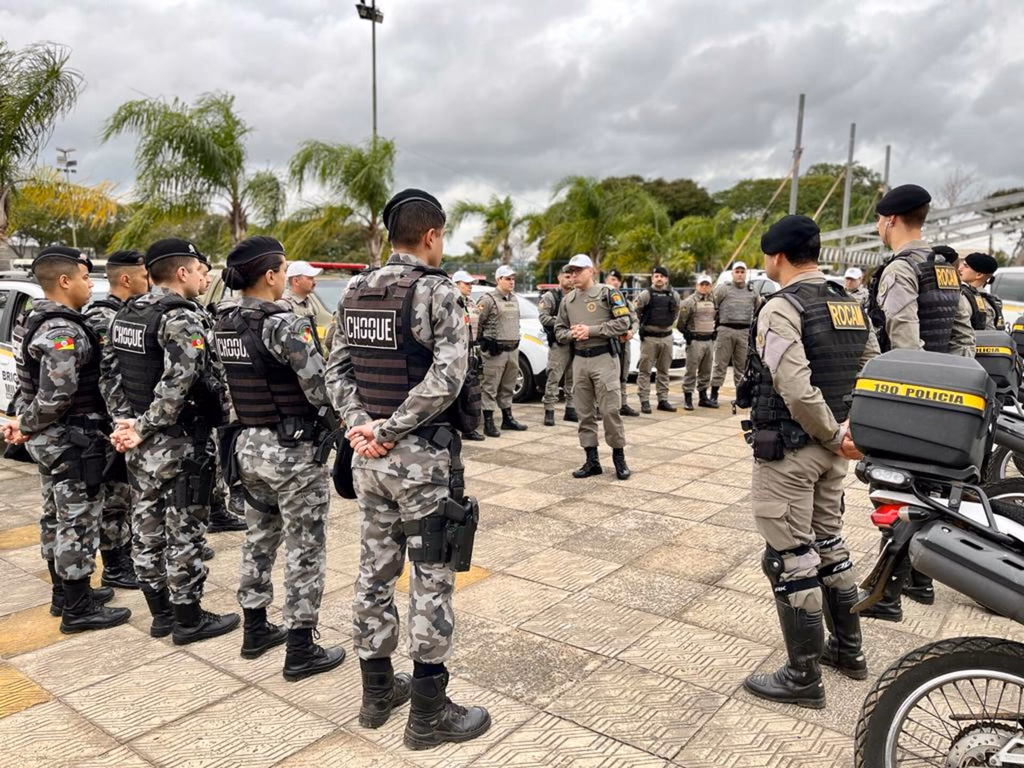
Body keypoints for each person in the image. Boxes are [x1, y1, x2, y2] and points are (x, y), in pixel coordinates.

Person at [327, 189, 490, 747]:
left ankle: (376, 696)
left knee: (374, 571)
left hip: (369, 460)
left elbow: (337, 370)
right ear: (431, 236)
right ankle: (428, 713)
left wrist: (360, 428)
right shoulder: (437, 292)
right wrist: (388, 429)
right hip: (417, 459)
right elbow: (447, 379)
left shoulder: (354, 289)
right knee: (430, 576)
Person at [740, 216, 879, 710]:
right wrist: (849, 430)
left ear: (776, 257)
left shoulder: (783, 306)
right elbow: (871, 368)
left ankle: (803, 677)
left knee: (790, 558)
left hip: (793, 450)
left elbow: (794, 385)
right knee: (830, 545)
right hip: (833, 450)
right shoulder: (847, 301)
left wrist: (828, 430)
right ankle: (847, 650)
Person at [214, 236, 345, 681]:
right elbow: (319, 388)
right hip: (291, 452)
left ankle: (254, 629)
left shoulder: (224, 321)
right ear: (270, 276)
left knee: (259, 537)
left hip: (248, 447)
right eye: (285, 269)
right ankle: (301, 648)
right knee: (305, 547)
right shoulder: (284, 323)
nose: (287, 276)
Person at [107, 238, 238, 644]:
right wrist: (143, 426)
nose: (207, 277)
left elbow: (110, 375)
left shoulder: (128, 313)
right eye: (201, 270)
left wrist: (125, 423)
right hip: (178, 441)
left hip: (141, 445)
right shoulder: (182, 319)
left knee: (146, 524)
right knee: (185, 530)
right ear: (182, 273)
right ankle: (188, 618)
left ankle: (160, 613)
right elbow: (176, 385)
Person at [3, 246, 132, 633]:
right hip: (70, 440)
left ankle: (64, 594)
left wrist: (23, 424)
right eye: (81, 278)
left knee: (54, 514)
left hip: (53, 440)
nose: (88, 285)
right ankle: (78, 607)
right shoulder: (62, 330)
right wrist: (24, 425)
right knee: (77, 519)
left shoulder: (34, 319)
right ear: (63, 281)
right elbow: (56, 396)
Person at [864, 184, 976, 619]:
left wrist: (905, 405)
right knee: (929, 488)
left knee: (896, 487)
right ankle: (919, 580)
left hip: (915, 397)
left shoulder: (899, 269)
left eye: (878, 220)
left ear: (890, 220)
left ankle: (887, 594)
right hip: (949, 397)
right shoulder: (946, 269)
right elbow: (962, 336)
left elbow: (905, 344)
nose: (877, 226)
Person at [83, 250, 149, 591]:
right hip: (107, 420)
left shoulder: (126, 315)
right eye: (143, 275)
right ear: (126, 279)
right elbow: (109, 374)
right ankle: (114, 564)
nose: (148, 280)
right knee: (113, 497)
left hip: (119, 419)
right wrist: (122, 421)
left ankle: (125, 554)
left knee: (123, 494)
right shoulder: (103, 318)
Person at [555, 254, 632, 480]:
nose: (574, 275)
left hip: (604, 358)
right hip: (580, 359)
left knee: (610, 410)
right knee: (584, 412)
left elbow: (623, 322)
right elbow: (559, 331)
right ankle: (592, 460)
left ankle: (619, 458)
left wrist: (591, 330)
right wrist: (572, 334)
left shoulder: (609, 293)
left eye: (579, 270)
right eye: (571, 271)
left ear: (591, 270)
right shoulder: (567, 301)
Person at [476, 265, 527, 437]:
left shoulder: (514, 299)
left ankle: (507, 418)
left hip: (512, 350)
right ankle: (488, 422)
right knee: (490, 386)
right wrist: (484, 342)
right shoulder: (488, 299)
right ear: (498, 280)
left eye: (513, 279)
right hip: (495, 351)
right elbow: (477, 323)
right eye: (507, 278)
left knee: (508, 386)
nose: (511, 282)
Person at [710, 262, 760, 408]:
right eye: (737, 271)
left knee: (742, 366)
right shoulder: (724, 289)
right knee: (720, 364)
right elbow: (714, 305)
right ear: (732, 273)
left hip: (744, 331)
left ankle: (741, 396)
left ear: (746, 273)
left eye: (742, 271)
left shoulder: (752, 291)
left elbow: (757, 308)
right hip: (725, 330)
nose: (739, 274)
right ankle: (714, 394)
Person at [634, 266, 680, 413]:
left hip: (666, 337)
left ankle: (663, 399)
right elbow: (636, 312)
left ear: (666, 279)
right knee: (645, 371)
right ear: (652, 278)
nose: (659, 278)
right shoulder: (645, 295)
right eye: (656, 276)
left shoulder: (674, 295)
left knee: (664, 371)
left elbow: (676, 312)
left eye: (662, 276)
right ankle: (644, 400)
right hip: (650, 338)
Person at [538, 266, 577, 425]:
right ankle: (549, 411)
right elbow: (543, 318)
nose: (570, 279)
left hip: (575, 342)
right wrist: (563, 324)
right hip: (559, 344)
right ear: (559, 278)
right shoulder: (550, 296)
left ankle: (571, 409)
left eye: (572, 276)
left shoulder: (577, 296)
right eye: (567, 276)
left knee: (573, 379)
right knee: (554, 377)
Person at [451, 270, 486, 441]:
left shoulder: (471, 303)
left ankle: (468, 427)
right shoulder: (451, 302)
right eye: (466, 284)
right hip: (455, 353)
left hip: (470, 351)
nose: (470, 286)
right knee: (454, 391)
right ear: (456, 284)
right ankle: (453, 426)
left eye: (471, 283)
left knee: (469, 390)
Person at [677, 274, 717, 411]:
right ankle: (688, 398)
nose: (704, 287)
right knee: (691, 370)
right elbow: (681, 322)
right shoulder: (689, 302)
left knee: (706, 370)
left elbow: (716, 317)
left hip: (709, 341)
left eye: (707, 285)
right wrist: (687, 334)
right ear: (697, 286)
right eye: (702, 284)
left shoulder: (713, 300)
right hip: (695, 341)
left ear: (710, 287)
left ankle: (703, 397)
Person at [605, 269, 639, 417]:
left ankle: (622, 404)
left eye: (617, 280)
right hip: (606, 342)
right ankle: (601, 405)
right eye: (612, 279)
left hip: (623, 342)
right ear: (607, 280)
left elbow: (635, 320)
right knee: (605, 376)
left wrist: (632, 332)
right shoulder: (600, 299)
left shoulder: (625, 301)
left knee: (623, 374)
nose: (615, 282)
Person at [278, 261, 323, 343]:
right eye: (310, 278)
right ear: (296, 281)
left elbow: (307, 337)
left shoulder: (307, 303)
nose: (314, 282)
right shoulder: (284, 304)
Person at [958, 252, 1004, 331]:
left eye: (966, 266)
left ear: (979, 275)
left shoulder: (962, 297)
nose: (960, 269)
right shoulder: (991, 301)